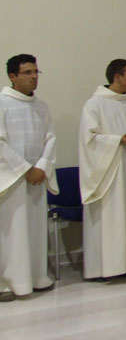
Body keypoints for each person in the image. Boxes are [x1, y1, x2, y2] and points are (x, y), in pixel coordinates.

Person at [79, 59, 126, 280]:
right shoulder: (94, 105)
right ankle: (106, 268)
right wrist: (119, 139)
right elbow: (89, 139)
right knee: (111, 218)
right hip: (108, 174)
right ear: (117, 77)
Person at [0, 54, 58, 302]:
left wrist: (42, 166)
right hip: (12, 181)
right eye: (27, 73)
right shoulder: (2, 103)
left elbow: (50, 138)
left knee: (34, 230)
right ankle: (8, 282)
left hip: (36, 179)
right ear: (13, 76)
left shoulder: (41, 107)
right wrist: (26, 169)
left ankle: (35, 276)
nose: (34, 77)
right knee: (11, 232)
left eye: (36, 72)